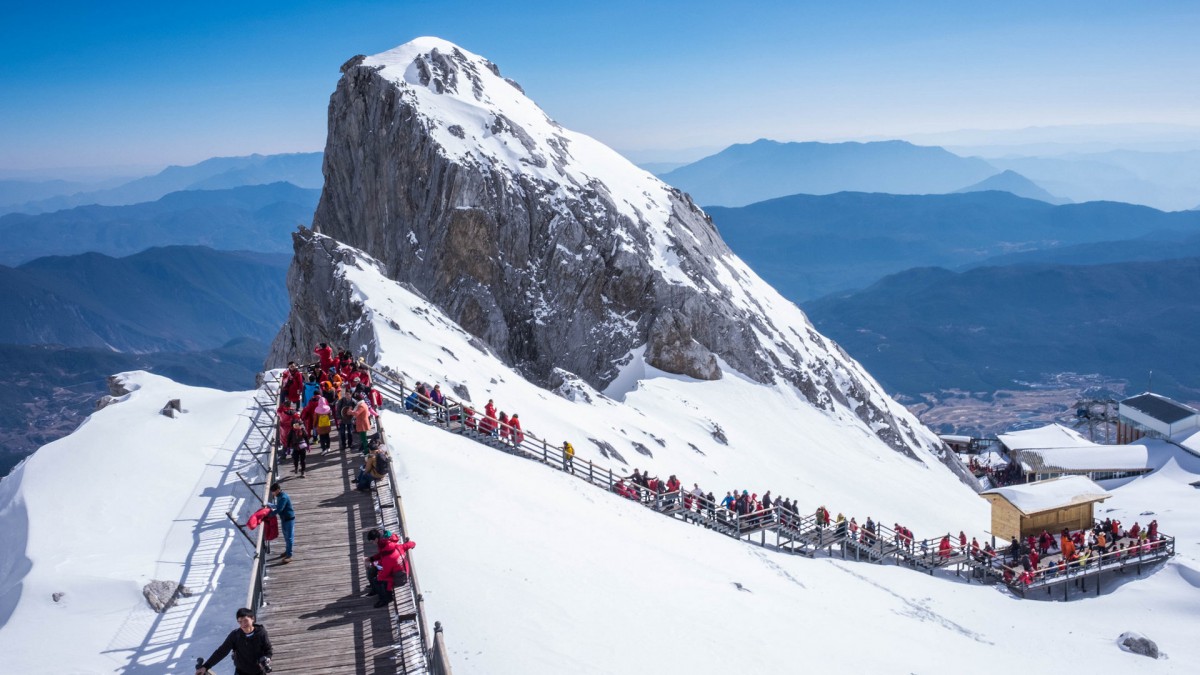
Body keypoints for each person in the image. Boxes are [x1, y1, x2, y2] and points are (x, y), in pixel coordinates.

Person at [196, 607, 272, 675]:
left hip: (259, 672)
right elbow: (221, 651)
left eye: (245, 620)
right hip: (241, 672)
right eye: (240, 622)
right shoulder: (235, 635)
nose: (243, 624)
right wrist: (206, 666)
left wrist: (267, 658)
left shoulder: (261, 632)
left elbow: (268, 649)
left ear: (252, 619)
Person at [269, 482, 295, 563]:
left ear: (277, 490)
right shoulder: (279, 496)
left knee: (289, 537)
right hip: (284, 519)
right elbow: (279, 506)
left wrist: (270, 515)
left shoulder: (283, 497)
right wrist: (271, 505)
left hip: (289, 519)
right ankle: (287, 551)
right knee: (286, 536)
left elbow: (280, 509)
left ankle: (289, 555)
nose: (272, 493)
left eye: (273, 492)